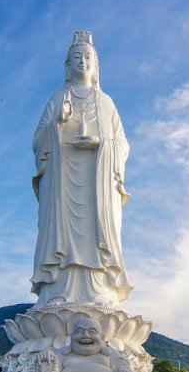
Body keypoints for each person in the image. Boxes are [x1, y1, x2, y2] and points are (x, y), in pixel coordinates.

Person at [30, 31, 132, 308]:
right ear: (67, 65)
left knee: (98, 229)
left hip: (96, 182)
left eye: (88, 57)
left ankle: (100, 289)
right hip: (62, 182)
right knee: (61, 232)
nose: (83, 62)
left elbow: (122, 144)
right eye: (77, 57)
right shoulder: (57, 98)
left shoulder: (105, 102)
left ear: (96, 65)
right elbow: (37, 140)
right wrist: (56, 125)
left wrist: (101, 142)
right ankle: (57, 291)